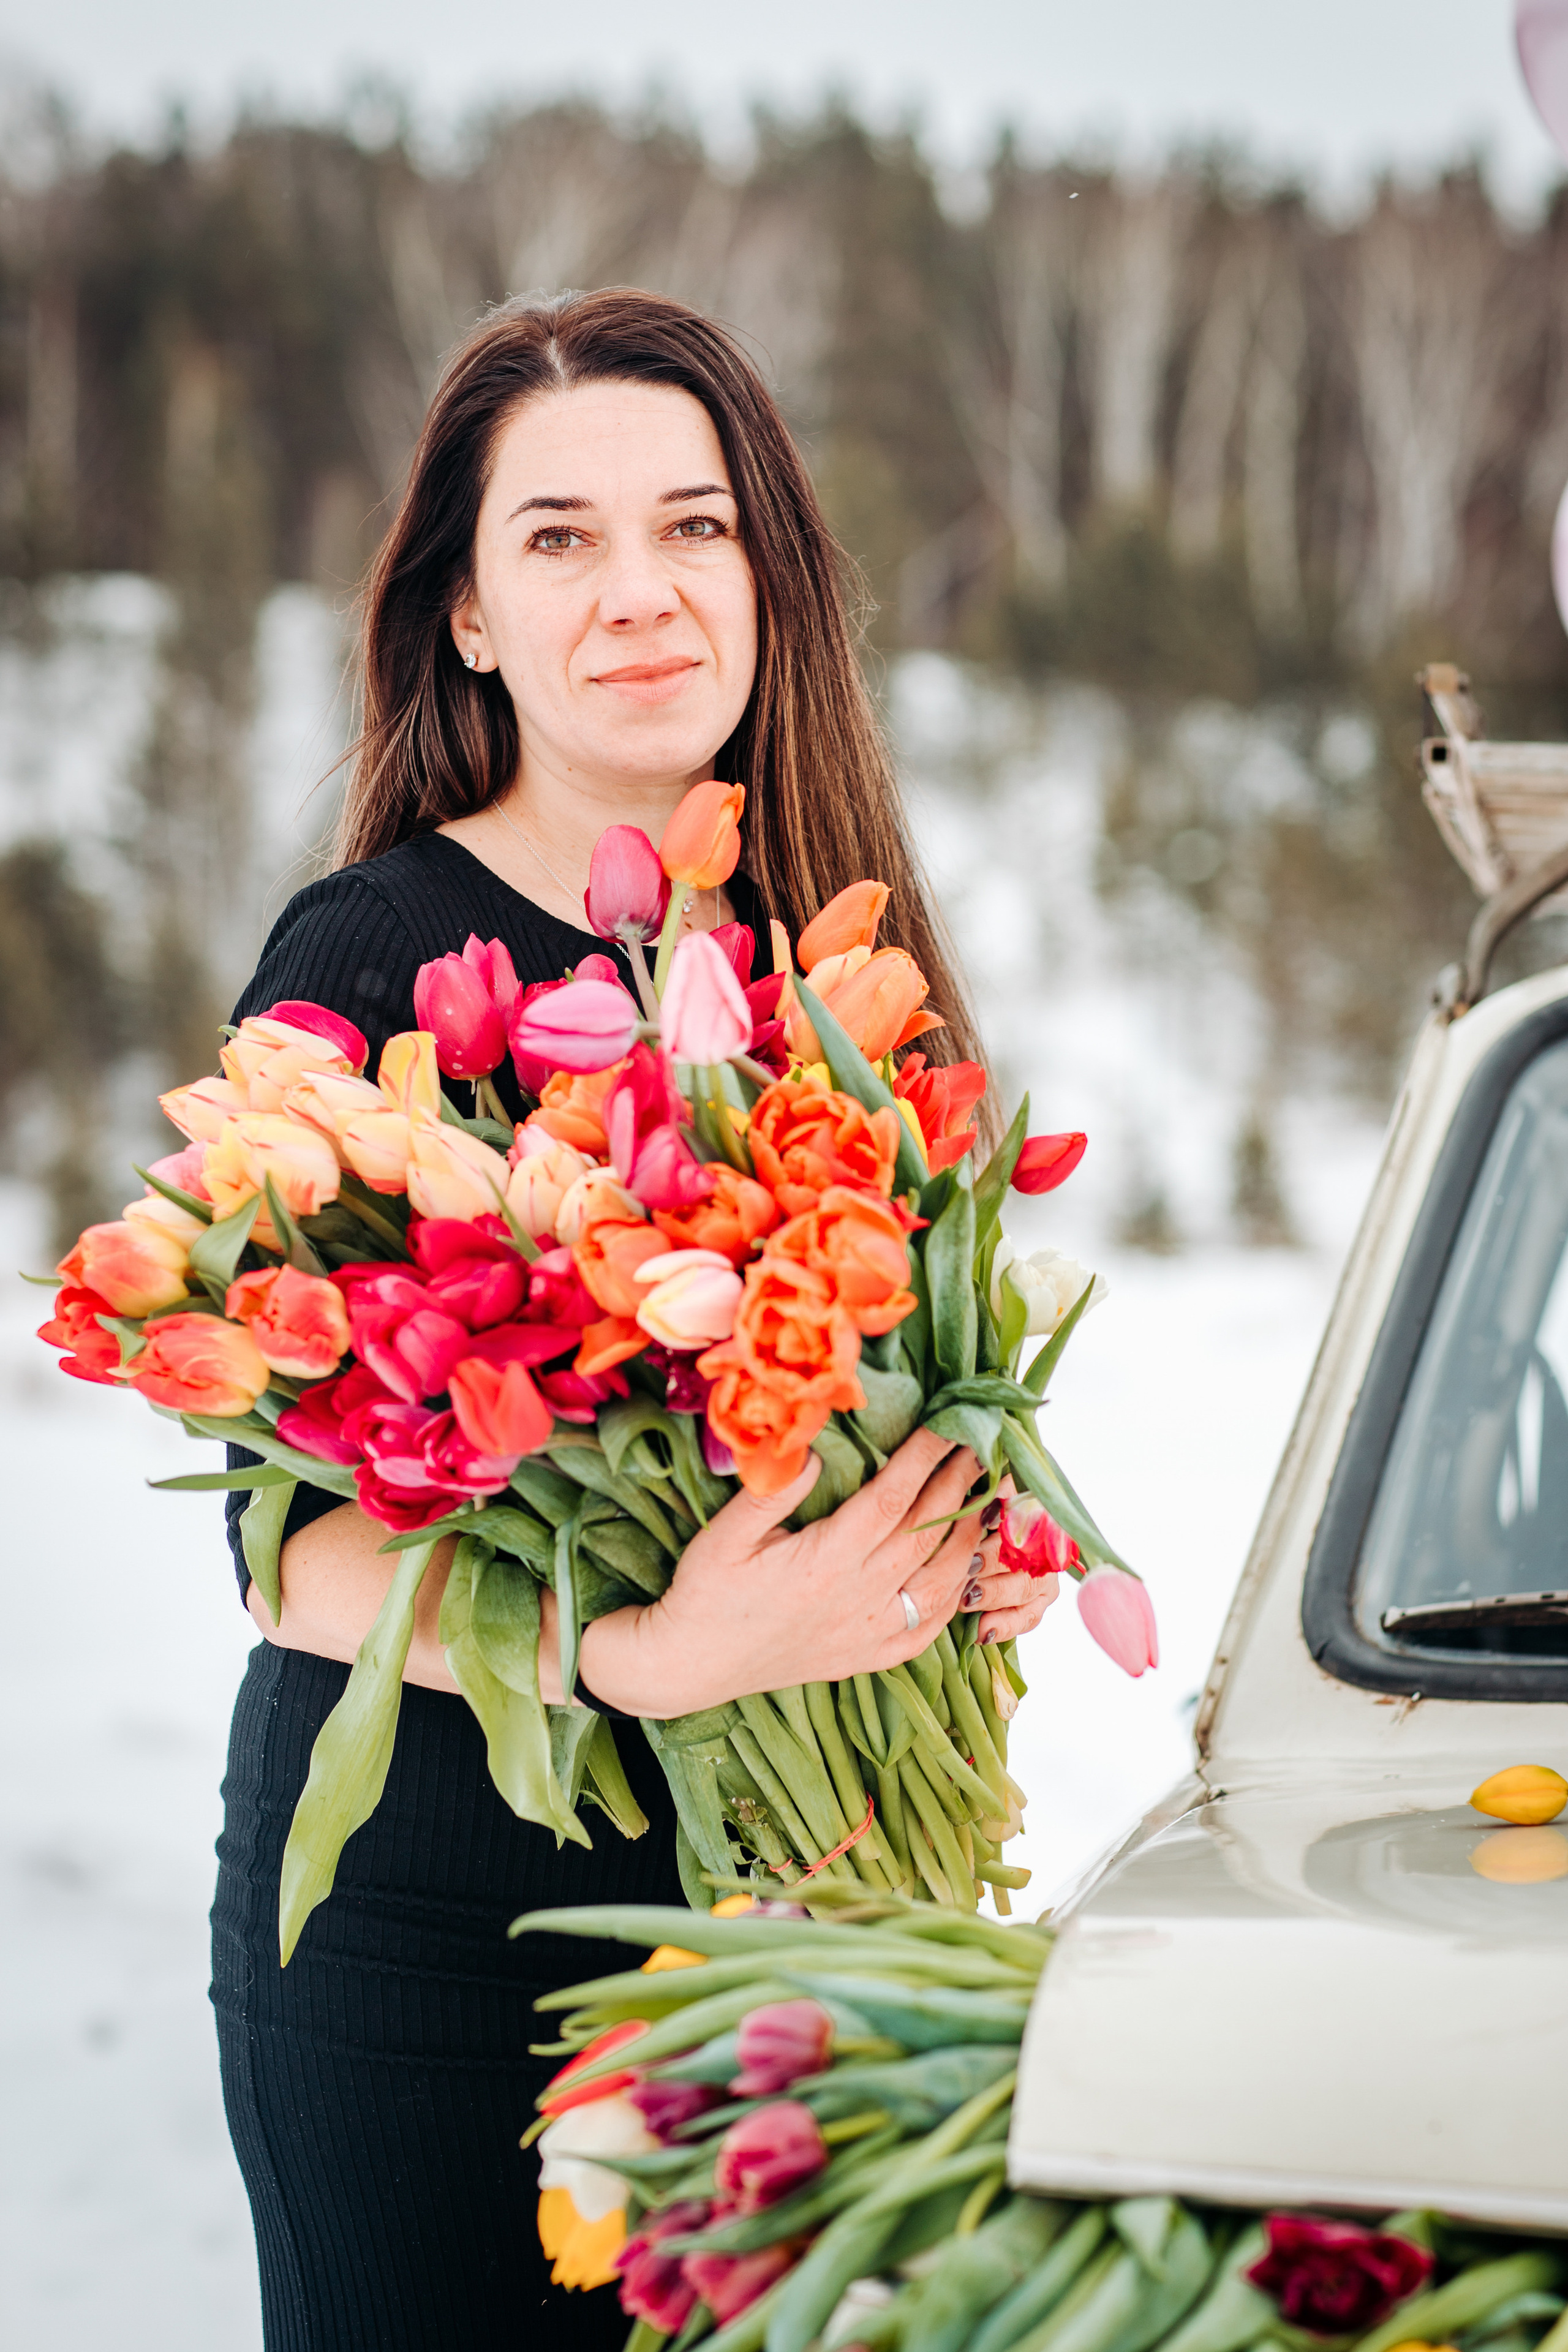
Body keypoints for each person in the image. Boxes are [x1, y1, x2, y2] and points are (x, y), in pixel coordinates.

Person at [210, 287, 1059, 2351]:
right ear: (471, 616)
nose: (642, 592)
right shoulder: (374, 952)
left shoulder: (818, 949)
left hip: (790, 1923)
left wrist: (952, 1536)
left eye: (694, 527)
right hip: (442, 1959)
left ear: (770, 576)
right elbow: (276, 1551)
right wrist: (654, 1656)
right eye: (560, 539)